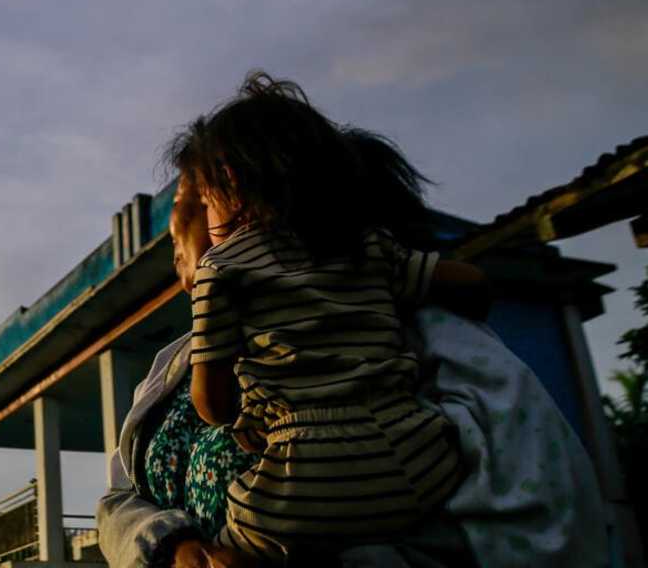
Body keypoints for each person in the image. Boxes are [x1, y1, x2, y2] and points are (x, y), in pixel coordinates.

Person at [96, 72, 609, 568]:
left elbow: (538, 522)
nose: (176, 236)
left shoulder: (422, 334)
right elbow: (118, 500)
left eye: (192, 201)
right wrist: (171, 548)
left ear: (238, 198)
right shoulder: (173, 364)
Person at [169, 73, 484, 562]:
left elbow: (210, 402)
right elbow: (470, 283)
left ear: (230, 184)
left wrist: (242, 414)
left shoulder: (223, 269)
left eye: (204, 201)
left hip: (306, 475)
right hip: (419, 461)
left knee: (228, 551)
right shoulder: (369, 247)